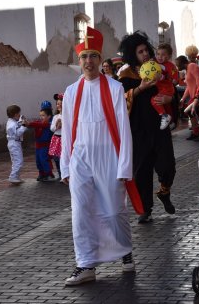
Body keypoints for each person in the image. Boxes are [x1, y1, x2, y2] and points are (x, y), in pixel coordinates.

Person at [61, 26, 135, 286]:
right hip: (80, 157)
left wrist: (125, 166)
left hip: (109, 157)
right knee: (80, 211)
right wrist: (66, 167)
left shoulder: (115, 88)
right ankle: (85, 264)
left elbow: (123, 129)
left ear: (100, 60)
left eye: (93, 56)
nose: (88, 61)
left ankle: (124, 249)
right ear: (79, 61)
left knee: (114, 211)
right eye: (84, 57)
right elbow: (68, 130)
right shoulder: (71, 91)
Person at [118, 31, 177, 223]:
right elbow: (121, 99)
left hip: (159, 128)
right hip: (138, 131)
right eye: (140, 51)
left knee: (167, 165)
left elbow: (170, 88)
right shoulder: (126, 75)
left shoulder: (156, 69)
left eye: (145, 50)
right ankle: (146, 209)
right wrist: (140, 88)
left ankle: (164, 191)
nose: (144, 54)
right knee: (142, 171)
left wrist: (170, 97)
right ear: (132, 54)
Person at [25, 102, 56, 181]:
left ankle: (49, 174)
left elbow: (39, 125)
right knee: (38, 160)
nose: (41, 117)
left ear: (49, 116)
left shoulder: (48, 124)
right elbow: (37, 124)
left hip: (45, 145)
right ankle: (41, 173)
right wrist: (28, 124)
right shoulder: (39, 123)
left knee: (44, 159)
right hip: (38, 145)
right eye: (40, 115)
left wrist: (30, 123)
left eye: (43, 115)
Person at [180, 45, 199, 140]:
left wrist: (198, 95)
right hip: (193, 94)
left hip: (197, 94)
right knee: (191, 112)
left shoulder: (195, 65)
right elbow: (189, 84)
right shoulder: (189, 67)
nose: (191, 57)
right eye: (190, 56)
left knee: (198, 113)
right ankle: (196, 132)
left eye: (192, 55)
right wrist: (183, 98)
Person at [152, 43, 179, 130]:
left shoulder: (171, 66)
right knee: (165, 105)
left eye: (163, 54)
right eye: (158, 54)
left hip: (167, 89)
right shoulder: (153, 62)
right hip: (159, 89)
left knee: (154, 100)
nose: (160, 57)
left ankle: (164, 116)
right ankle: (170, 121)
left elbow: (174, 80)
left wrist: (163, 77)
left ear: (169, 56)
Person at [5, 104, 27, 185]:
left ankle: (16, 176)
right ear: (15, 114)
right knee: (19, 161)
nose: (20, 115)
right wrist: (24, 125)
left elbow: (17, 125)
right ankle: (13, 176)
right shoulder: (12, 124)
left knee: (15, 160)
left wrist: (21, 122)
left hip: (14, 143)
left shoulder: (12, 122)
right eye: (19, 114)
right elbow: (18, 133)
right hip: (14, 143)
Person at [49, 93, 64, 175]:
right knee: (56, 158)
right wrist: (56, 126)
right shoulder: (55, 117)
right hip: (56, 138)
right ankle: (60, 173)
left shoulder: (68, 116)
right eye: (57, 104)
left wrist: (63, 124)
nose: (59, 106)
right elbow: (52, 129)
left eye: (61, 104)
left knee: (64, 157)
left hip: (64, 139)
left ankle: (65, 173)